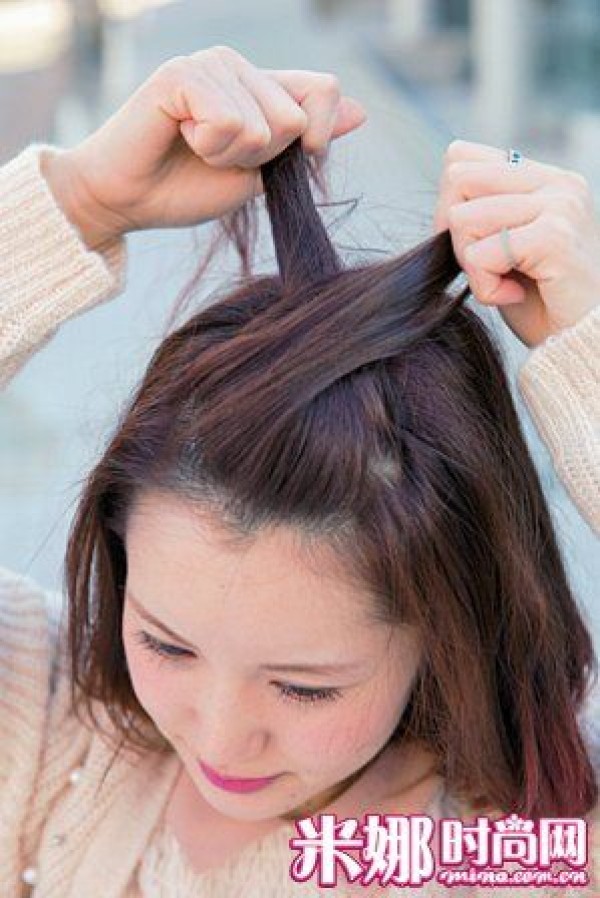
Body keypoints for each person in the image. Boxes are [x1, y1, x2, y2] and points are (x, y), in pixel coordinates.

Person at [0, 44, 598, 898]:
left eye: (304, 689)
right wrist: (78, 200)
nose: (218, 736)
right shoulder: (58, 730)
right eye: (166, 643)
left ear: (446, 628)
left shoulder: (479, 855)